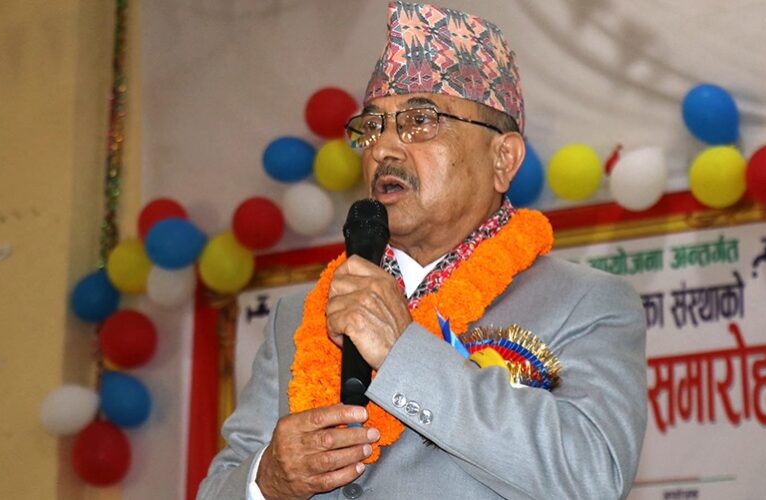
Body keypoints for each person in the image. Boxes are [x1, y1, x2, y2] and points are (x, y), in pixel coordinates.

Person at [197, 2, 647, 499]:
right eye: (372, 128)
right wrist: (266, 480)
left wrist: (403, 351)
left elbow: (592, 476)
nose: (383, 149)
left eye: (419, 121)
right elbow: (218, 488)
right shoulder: (297, 318)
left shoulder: (585, 302)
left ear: (504, 158)